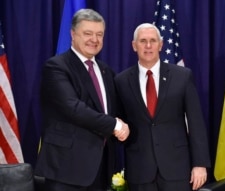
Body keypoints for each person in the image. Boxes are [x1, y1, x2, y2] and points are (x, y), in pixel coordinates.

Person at [35, 9, 129, 191]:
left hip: (100, 168)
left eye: (99, 34)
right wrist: (115, 126)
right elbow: (73, 108)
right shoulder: (56, 67)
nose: (94, 39)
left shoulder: (105, 71)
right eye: (88, 33)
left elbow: (116, 110)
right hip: (65, 170)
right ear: (72, 34)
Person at [114, 23, 211, 191]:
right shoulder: (121, 81)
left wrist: (200, 164)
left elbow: (196, 123)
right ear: (134, 45)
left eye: (153, 40)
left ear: (161, 44)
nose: (148, 46)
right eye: (143, 41)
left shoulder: (182, 76)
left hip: (177, 169)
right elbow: (119, 123)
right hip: (140, 171)